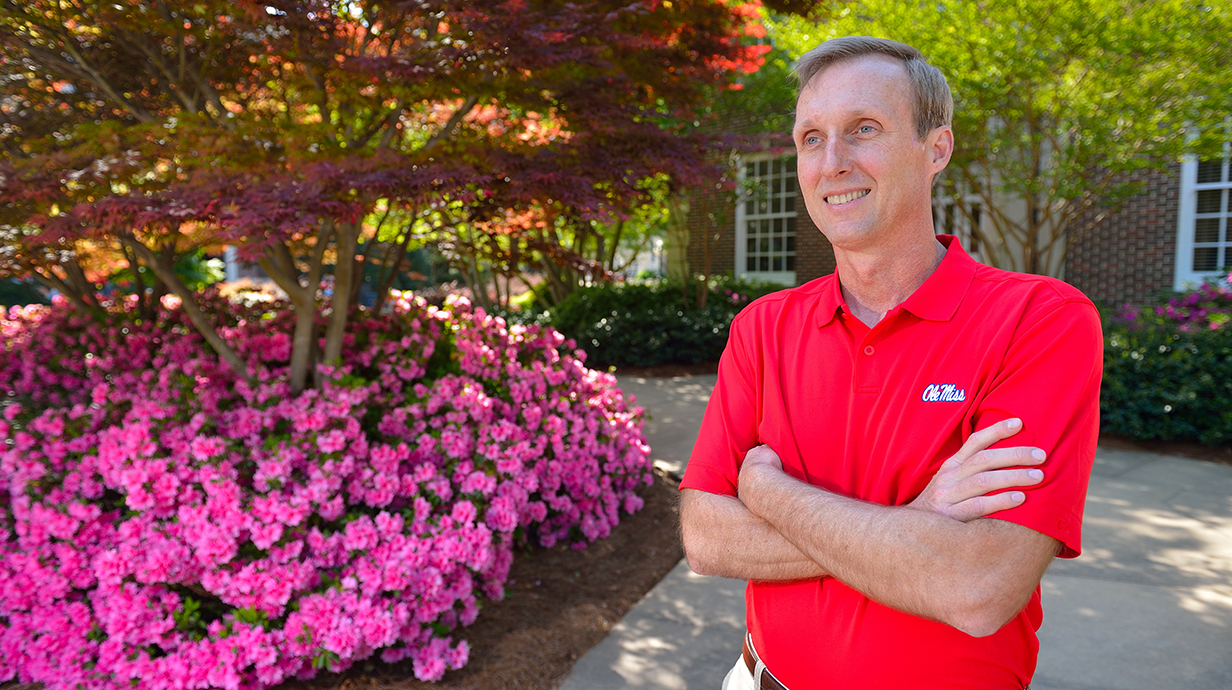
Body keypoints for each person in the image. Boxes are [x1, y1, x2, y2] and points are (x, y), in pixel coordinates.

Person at [678, 36, 1102, 690]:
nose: (833, 161)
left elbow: (976, 584)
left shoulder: (1040, 321)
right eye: (811, 138)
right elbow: (707, 538)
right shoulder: (762, 329)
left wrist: (767, 492)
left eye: (864, 129)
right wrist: (916, 523)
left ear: (936, 149)